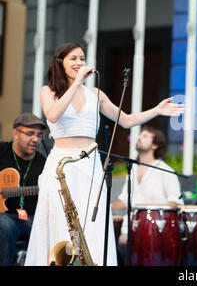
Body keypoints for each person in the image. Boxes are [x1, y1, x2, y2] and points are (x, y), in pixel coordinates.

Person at [24, 42, 184, 266]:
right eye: (73, 58)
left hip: (89, 165)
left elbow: (126, 120)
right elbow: (52, 115)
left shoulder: (95, 94)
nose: (79, 63)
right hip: (61, 164)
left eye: (82, 58)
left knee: (93, 227)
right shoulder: (48, 91)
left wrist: (156, 110)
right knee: (59, 222)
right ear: (60, 63)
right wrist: (77, 83)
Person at [111, 125, 183, 259]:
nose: (139, 138)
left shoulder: (166, 171)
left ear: (155, 145)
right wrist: (106, 206)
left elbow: (175, 202)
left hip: (155, 232)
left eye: (144, 136)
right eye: (139, 135)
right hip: (129, 228)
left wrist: (151, 211)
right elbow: (125, 200)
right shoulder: (131, 169)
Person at [0, 113, 47, 265]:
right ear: (15, 133)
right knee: (4, 225)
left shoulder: (44, 163)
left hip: (31, 218)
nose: (36, 139)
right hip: (5, 216)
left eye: (39, 135)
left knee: (49, 228)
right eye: (30, 134)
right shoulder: (2, 151)